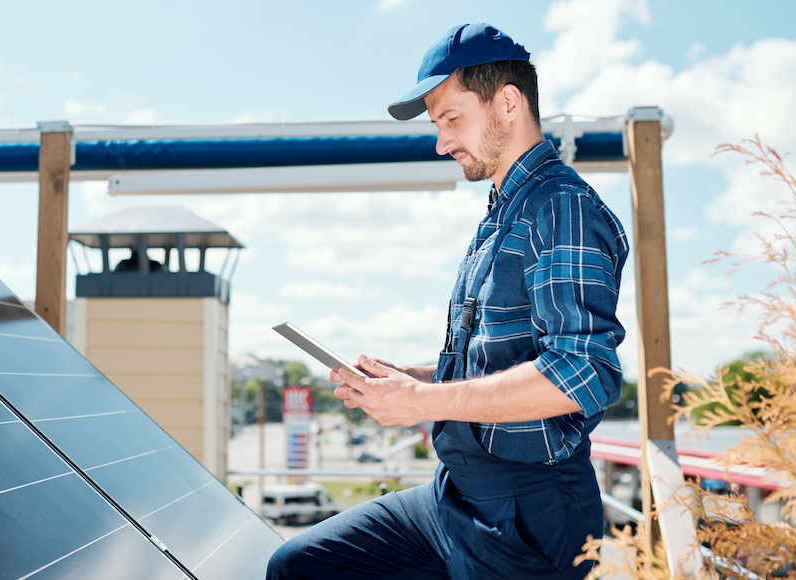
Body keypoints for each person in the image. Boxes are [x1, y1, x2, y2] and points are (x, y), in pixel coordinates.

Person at [267, 22, 629, 580]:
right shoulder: (502, 213)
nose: (441, 142)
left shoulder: (562, 210)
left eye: (452, 118)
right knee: (301, 566)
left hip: (526, 515)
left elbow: (581, 375)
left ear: (508, 102)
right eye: (437, 125)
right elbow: (498, 360)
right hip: (454, 496)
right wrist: (412, 380)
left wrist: (423, 403)